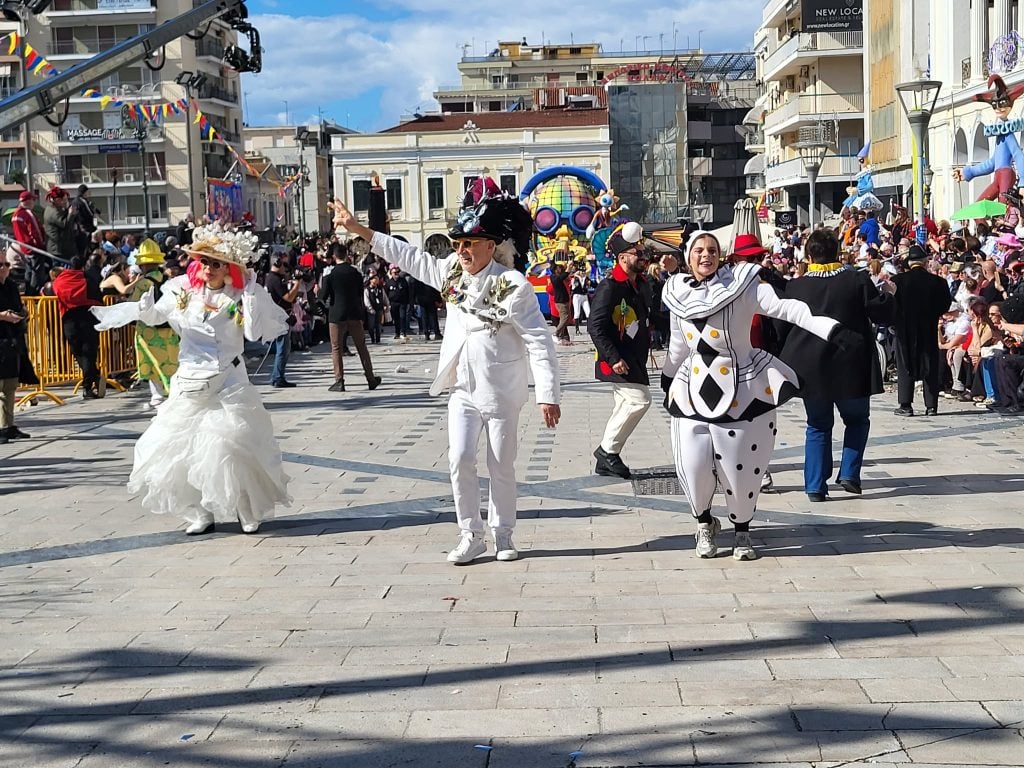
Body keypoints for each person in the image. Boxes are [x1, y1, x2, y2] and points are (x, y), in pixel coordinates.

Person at [331, 189, 560, 565]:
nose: (462, 250)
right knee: (459, 458)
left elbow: (538, 339)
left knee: (501, 464)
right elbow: (409, 257)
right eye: (458, 243)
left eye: (470, 243)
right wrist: (360, 229)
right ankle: (470, 534)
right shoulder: (451, 271)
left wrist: (547, 394)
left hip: (502, 390)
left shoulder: (514, 285)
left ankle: (503, 533)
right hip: (463, 389)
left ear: (491, 245)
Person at [91, 222, 291, 535]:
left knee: (231, 447)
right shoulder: (183, 288)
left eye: (217, 263)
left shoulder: (240, 294)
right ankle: (199, 512)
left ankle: (245, 510)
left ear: (230, 268)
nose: (208, 268)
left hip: (229, 380)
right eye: (204, 261)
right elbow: (159, 316)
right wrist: (145, 310)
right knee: (175, 448)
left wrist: (251, 292)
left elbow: (253, 333)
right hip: (189, 380)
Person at [661, 231, 848, 561]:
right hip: (691, 389)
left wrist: (827, 328)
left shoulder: (742, 285)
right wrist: (667, 374)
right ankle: (704, 524)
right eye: (700, 250)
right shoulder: (676, 293)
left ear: (721, 255)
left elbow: (783, 308)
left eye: (713, 250)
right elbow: (678, 343)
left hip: (743, 387)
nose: (706, 255)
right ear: (688, 256)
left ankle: (742, 531)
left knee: (741, 466)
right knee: (692, 464)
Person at [778, 229, 894, 501]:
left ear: (809, 255)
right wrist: (889, 293)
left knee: (817, 424)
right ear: (838, 252)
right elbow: (881, 312)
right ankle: (850, 473)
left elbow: (781, 327)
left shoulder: (796, 286)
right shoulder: (856, 280)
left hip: (810, 367)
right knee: (857, 420)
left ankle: (816, 485)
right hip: (850, 364)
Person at [589, 221, 652, 479]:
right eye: (638, 253)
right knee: (640, 401)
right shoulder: (610, 286)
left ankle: (606, 459)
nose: (643, 257)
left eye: (643, 252)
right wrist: (613, 358)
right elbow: (596, 325)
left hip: (634, 357)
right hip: (618, 358)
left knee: (625, 403)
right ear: (623, 257)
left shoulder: (639, 283)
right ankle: (607, 451)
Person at [892, 244, 956, 416]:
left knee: (905, 364)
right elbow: (945, 305)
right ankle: (931, 405)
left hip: (905, 328)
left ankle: (906, 404)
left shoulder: (898, 281)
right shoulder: (938, 282)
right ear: (925, 262)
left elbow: (892, 305)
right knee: (930, 364)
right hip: (928, 327)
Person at [320, 241, 381, 392]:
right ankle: (370, 378)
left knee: (336, 348)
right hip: (354, 313)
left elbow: (323, 295)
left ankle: (339, 380)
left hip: (337, 314)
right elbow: (361, 292)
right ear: (347, 255)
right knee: (361, 346)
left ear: (334, 256)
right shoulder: (355, 272)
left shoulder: (330, 273)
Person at [130, 238, 180, 409]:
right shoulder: (168, 281)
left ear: (143, 265)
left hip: (148, 330)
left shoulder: (143, 283)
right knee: (169, 361)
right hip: (168, 327)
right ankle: (173, 392)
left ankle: (157, 396)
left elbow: (134, 304)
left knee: (151, 362)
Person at [52, 255, 103, 399]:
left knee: (78, 352)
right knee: (89, 351)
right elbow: (97, 296)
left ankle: (92, 376)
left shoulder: (60, 281)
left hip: (69, 319)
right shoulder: (87, 279)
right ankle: (89, 383)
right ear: (82, 267)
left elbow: (56, 293)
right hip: (87, 317)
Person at [0, 254, 29, 444]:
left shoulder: (10, 285)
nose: (4, 267)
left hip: (11, 339)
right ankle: (2, 427)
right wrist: (2, 316)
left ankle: (8, 425)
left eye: (6, 264)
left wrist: (21, 313)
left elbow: (18, 306)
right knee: (1, 386)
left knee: (10, 385)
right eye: (0, 264)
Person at [262, 255, 300, 388]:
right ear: (277, 264)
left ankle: (277, 376)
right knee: (283, 349)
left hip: (280, 316)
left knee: (284, 348)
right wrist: (296, 286)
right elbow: (288, 297)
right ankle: (278, 377)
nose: (287, 268)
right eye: (285, 265)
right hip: (280, 318)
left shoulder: (272, 278)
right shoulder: (275, 279)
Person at [11, 190, 47, 296]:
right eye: (33, 199)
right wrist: (41, 245)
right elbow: (35, 231)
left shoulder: (15, 215)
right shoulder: (28, 214)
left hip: (24, 248)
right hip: (34, 248)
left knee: (29, 272)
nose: (34, 202)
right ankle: (35, 295)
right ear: (27, 201)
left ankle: (28, 294)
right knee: (37, 275)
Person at [43, 186, 76, 262]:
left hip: (64, 247)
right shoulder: (53, 212)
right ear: (57, 200)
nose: (65, 201)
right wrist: (71, 214)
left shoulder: (58, 209)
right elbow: (64, 224)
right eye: (64, 200)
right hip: (58, 249)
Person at [385, 263, 411, 341]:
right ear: (391, 273)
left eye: (397, 272)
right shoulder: (389, 282)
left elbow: (407, 291)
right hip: (393, 303)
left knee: (402, 317)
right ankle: (397, 333)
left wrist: (408, 301)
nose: (396, 274)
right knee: (396, 318)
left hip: (402, 302)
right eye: (394, 273)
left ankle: (403, 332)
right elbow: (386, 293)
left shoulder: (403, 281)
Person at [70, 184, 97, 258]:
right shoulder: (83, 201)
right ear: (84, 192)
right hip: (85, 229)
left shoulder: (74, 201)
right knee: (85, 251)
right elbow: (89, 214)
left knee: (80, 252)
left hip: (78, 230)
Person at [549, 262, 573, 344]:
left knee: (566, 319)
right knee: (564, 319)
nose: (560, 269)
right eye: (559, 268)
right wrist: (568, 269)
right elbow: (563, 276)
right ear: (555, 270)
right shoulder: (554, 278)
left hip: (564, 300)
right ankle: (556, 334)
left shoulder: (558, 277)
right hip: (560, 301)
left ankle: (562, 337)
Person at [364, 272, 389, 345]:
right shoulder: (367, 290)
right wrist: (370, 308)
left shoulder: (380, 289)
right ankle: (372, 338)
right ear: (371, 280)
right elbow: (366, 300)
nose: (376, 280)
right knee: (371, 326)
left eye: (377, 278)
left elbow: (385, 298)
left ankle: (378, 339)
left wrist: (387, 305)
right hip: (371, 310)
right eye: (375, 278)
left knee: (379, 325)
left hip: (379, 309)